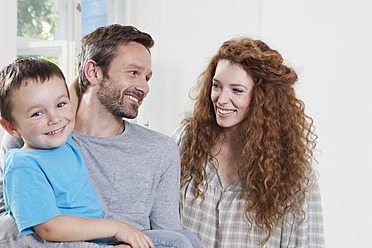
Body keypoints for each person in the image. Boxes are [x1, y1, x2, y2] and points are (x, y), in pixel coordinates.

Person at [0, 24, 200, 248]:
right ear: (93, 72)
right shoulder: (34, 140)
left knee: (185, 240)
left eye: (147, 78)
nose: (144, 88)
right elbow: (10, 230)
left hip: (136, 242)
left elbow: (169, 235)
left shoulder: (161, 150)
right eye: (133, 73)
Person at [172, 37, 325, 247]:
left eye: (237, 90)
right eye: (217, 86)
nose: (222, 99)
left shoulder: (294, 174)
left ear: (263, 98)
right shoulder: (186, 140)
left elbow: (308, 243)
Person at [0, 57, 154, 248]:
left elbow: (72, 94)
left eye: (61, 105)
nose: (55, 119)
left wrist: (89, 73)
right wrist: (117, 228)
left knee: (178, 241)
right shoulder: (23, 164)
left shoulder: (63, 143)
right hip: (72, 243)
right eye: (37, 113)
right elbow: (49, 229)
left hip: (102, 238)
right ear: (11, 127)